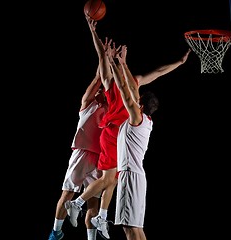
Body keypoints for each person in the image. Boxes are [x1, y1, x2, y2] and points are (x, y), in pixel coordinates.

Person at [65, 16, 192, 240]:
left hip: (123, 134)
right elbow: (103, 61)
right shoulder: (115, 85)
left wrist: (179, 63)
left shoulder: (135, 82)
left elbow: (160, 71)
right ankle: (84, 206)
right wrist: (97, 38)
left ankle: (95, 212)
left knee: (112, 179)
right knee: (110, 179)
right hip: (114, 132)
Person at [48, 64, 108, 240]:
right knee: (67, 194)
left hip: (100, 157)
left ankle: (91, 238)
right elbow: (98, 78)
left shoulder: (112, 107)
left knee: (93, 202)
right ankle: (56, 232)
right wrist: (104, 58)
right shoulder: (88, 102)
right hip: (82, 153)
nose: (100, 91)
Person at [108, 44, 158, 240]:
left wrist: (117, 63)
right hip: (137, 176)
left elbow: (124, 88)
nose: (135, 100)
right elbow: (130, 89)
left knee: (130, 228)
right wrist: (122, 63)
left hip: (130, 175)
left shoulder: (137, 119)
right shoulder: (147, 121)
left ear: (141, 105)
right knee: (136, 228)